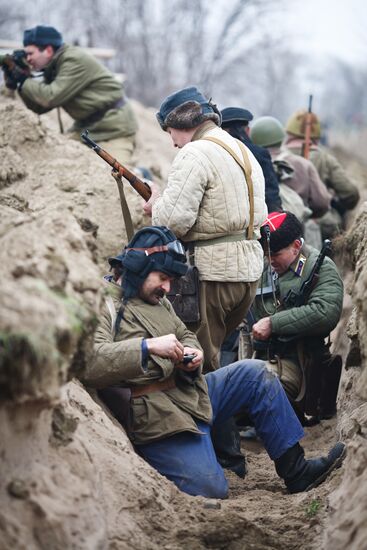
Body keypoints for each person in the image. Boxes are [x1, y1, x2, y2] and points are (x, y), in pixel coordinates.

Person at [82, 225, 346, 499]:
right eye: (162, 277)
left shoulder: (157, 299)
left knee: (256, 374)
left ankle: (298, 471)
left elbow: (184, 333)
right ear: (137, 267)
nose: (167, 287)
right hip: (158, 414)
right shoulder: (102, 304)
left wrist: (193, 353)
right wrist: (146, 347)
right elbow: (90, 363)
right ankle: (194, 448)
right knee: (210, 489)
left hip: (191, 392)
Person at [144, 86, 268, 373]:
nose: (173, 142)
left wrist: (156, 203)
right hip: (247, 273)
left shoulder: (195, 153)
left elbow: (172, 223)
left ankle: (206, 417)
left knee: (197, 363)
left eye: (170, 131)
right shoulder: (240, 148)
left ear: (180, 124)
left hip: (214, 275)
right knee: (219, 355)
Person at [250, 211, 344, 420]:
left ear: (296, 245)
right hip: (266, 357)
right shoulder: (267, 270)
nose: (270, 259)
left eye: (275, 254)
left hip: (300, 365)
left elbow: (325, 312)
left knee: (256, 384)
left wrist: (273, 324)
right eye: (267, 254)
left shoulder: (319, 268)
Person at [2, 25, 137, 164]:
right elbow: (39, 107)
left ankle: (143, 172)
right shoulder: (53, 66)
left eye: (31, 54)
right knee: (55, 160)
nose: (28, 59)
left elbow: (50, 97)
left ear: (48, 50)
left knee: (118, 175)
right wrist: (20, 82)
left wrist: (24, 80)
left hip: (115, 129)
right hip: (86, 129)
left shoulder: (72, 59)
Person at [285, 110, 360, 238]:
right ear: (317, 136)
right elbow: (350, 193)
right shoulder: (325, 158)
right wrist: (336, 207)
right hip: (320, 223)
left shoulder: (276, 155)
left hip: (283, 223)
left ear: (289, 132)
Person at [250, 116, 331, 220]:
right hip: (297, 228)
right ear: (281, 137)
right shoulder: (303, 164)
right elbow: (321, 203)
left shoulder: (250, 164)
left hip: (261, 228)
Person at [220, 107, 282, 213]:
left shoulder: (212, 151)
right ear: (247, 130)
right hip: (254, 218)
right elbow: (271, 193)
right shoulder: (259, 153)